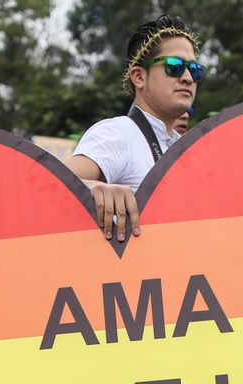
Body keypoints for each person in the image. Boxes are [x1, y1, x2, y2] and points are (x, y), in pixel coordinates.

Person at [67, 14, 202, 240]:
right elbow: (54, 185)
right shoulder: (118, 133)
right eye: (175, 66)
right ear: (139, 77)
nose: (188, 77)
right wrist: (91, 188)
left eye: (195, 69)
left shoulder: (186, 149)